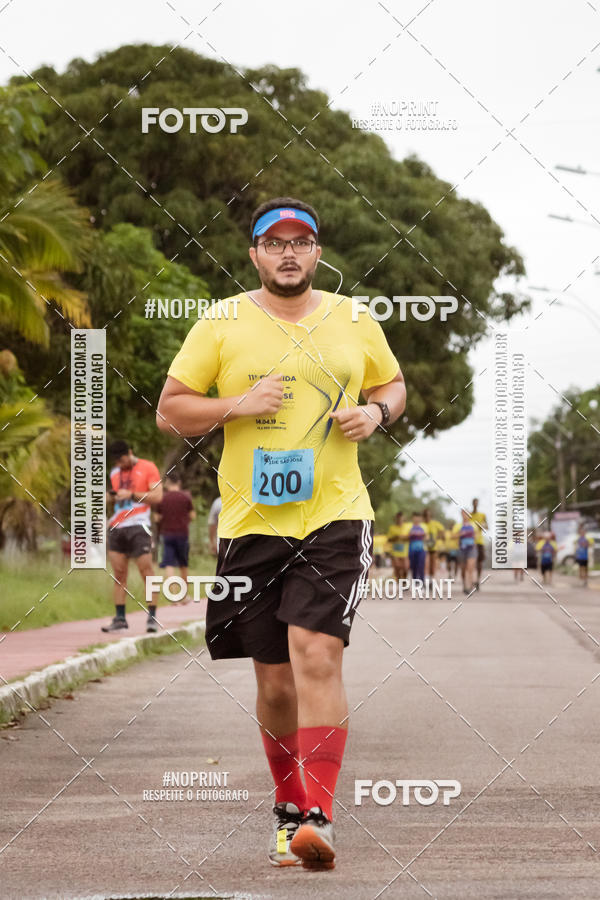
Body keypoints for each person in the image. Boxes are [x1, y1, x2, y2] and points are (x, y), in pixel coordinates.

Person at [156, 197, 406, 870]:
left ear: (318, 252)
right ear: (255, 255)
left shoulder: (355, 318)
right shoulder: (222, 321)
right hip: (249, 524)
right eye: (276, 243)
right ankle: (288, 809)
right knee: (274, 682)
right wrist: (236, 403)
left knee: (317, 653)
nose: (289, 252)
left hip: (336, 513)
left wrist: (376, 414)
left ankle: (319, 817)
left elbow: (393, 383)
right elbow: (171, 411)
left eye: (302, 241)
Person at [102, 440, 163, 633]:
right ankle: (120, 619)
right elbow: (115, 497)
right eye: (116, 462)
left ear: (130, 452)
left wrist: (132, 495)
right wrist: (110, 497)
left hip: (139, 526)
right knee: (119, 574)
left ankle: (152, 617)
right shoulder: (114, 473)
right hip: (117, 526)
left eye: (122, 460)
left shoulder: (148, 467)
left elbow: (157, 496)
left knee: (147, 571)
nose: (119, 465)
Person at [154, 471, 196, 600]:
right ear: (179, 483)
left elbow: (156, 518)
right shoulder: (186, 497)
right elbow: (193, 516)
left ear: (167, 484)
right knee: (183, 564)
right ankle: (183, 595)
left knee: (169, 564)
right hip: (182, 534)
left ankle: (173, 595)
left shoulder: (162, 498)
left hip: (167, 534)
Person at [455, 509, 476, 594]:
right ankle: (464, 584)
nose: (465, 515)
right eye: (463, 513)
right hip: (462, 549)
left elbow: (477, 535)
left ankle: (469, 586)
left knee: (470, 567)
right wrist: (460, 534)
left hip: (471, 548)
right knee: (463, 569)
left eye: (466, 513)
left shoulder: (474, 525)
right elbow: (451, 536)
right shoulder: (457, 526)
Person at [469, 498, 488, 589]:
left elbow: (487, 527)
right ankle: (471, 580)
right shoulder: (469, 515)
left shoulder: (482, 515)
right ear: (472, 504)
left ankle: (477, 580)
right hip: (471, 541)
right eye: (474, 503)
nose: (475, 504)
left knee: (479, 562)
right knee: (471, 562)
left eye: (477, 503)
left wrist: (482, 526)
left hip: (480, 541)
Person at [386, 511, 410, 579]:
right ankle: (399, 582)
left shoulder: (408, 526)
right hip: (395, 551)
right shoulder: (392, 528)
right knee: (397, 568)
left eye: (401, 519)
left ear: (403, 518)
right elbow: (389, 540)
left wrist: (405, 537)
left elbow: (411, 537)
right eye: (398, 519)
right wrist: (396, 537)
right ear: (396, 519)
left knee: (405, 568)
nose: (399, 520)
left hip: (404, 551)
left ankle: (404, 580)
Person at [422, 508, 444, 579]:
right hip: (424, 546)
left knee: (432, 564)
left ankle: (431, 579)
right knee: (426, 563)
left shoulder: (434, 523)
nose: (427, 517)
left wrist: (438, 537)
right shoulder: (422, 524)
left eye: (429, 515)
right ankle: (426, 578)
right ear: (424, 516)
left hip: (433, 546)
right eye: (426, 515)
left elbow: (442, 530)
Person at [407, 511, 427, 583]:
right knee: (413, 566)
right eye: (415, 517)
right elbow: (405, 536)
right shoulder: (408, 526)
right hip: (411, 549)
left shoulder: (424, 526)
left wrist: (419, 534)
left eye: (418, 517)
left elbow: (427, 536)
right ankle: (415, 581)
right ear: (412, 518)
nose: (417, 519)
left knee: (421, 565)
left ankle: (422, 581)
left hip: (422, 549)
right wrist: (412, 534)